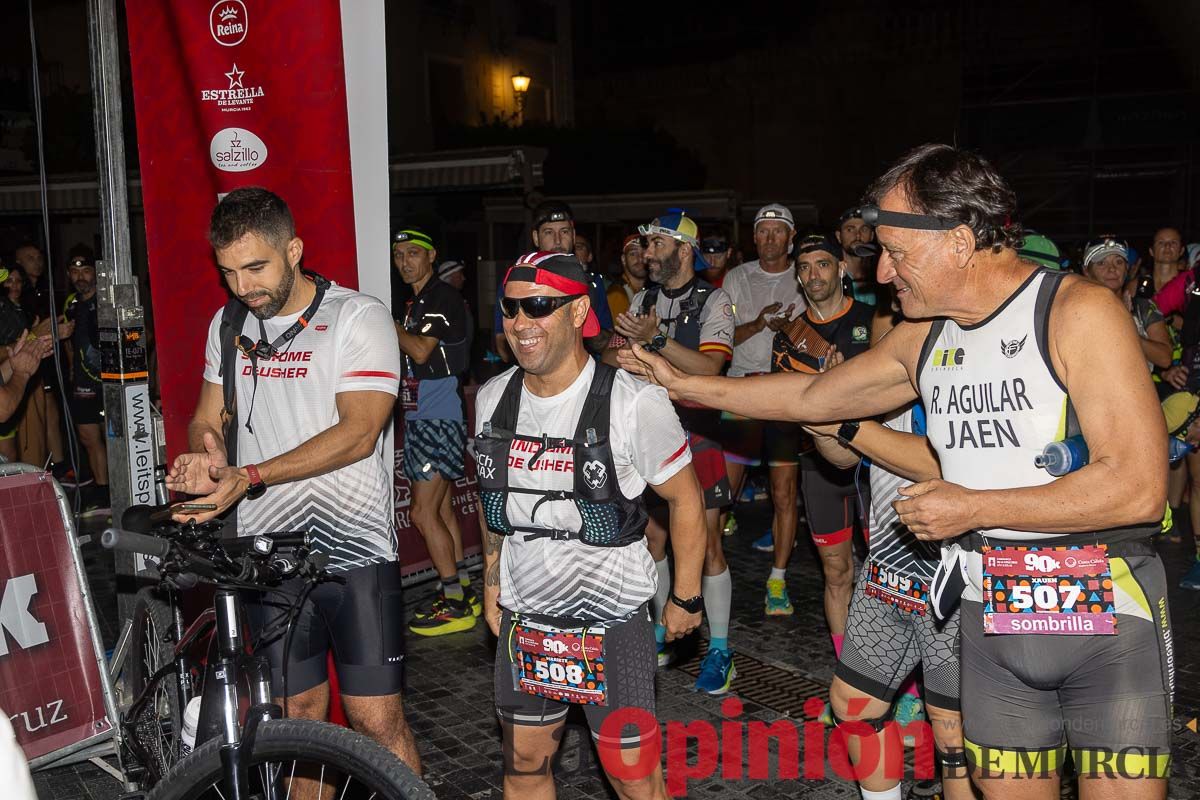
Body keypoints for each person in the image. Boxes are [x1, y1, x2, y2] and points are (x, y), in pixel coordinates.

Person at [622, 144, 1172, 798]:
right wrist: (685, 384)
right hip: (990, 616)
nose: (881, 271)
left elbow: (1138, 488)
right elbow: (811, 399)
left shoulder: (1076, 311)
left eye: (896, 252)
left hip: (1103, 620)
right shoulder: (927, 335)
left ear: (961, 242)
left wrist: (975, 508)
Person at [165, 186, 421, 773]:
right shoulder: (228, 322)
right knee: (296, 719)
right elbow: (208, 415)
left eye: (255, 267)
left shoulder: (358, 316)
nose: (242, 286)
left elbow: (359, 432)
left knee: (376, 721)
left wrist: (249, 475)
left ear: (295, 250)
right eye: (228, 272)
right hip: (267, 551)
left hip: (354, 550)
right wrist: (203, 457)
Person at [480, 250, 705, 798]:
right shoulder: (492, 398)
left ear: (580, 312)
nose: (520, 325)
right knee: (525, 768)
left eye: (538, 307)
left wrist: (686, 597)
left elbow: (687, 500)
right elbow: (497, 504)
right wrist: (492, 578)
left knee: (635, 781)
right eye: (510, 310)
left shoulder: (634, 402)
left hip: (611, 621)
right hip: (527, 619)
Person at [808, 408, 970, 800]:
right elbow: (843, 457)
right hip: (888, 564)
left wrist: (840, 419)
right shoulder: (885, 374)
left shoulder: (962, 361)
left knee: (954, 730)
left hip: (958, 571)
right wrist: (817, 408)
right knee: (854, 705)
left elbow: (947, 461)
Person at [607, 210, 736, 694]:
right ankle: (668, 627)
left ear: (685, 250)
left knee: (707, 546)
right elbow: (617, 352)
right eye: (645, 245)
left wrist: (654, 340)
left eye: (658, 244)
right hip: (649, 436)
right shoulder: (642, 297)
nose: (647, 254)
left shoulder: (714, 299)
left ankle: (720, 649)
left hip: (698, 433)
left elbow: (710, 368)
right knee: (654, 540)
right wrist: (619, 352)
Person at [771, 235, 875, 700]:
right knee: (837, 573)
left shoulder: (875, 323)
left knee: (889, 575)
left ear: (842, 269)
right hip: (819, 467)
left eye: (824, 264)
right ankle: (850, 675)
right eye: (806, 267)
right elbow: (785, 402)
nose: (815, 275)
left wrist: (842, 386)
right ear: (797, 277)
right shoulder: (789, 336)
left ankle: (904, 682)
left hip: (879, 463)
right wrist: (820, 386)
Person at [718, 202, 807, 614]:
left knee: (784, 493)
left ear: (791, 237)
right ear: (754, 237)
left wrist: (789, 330)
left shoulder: (806, 274)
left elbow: (819, 342)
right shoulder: (737, 277)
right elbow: (716, 339)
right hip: (739, 394)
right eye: (763, 231)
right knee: (721, 494)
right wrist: (759, 324)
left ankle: (778, 581)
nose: (771, 238)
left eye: (778, 231)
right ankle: (711, 573)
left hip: (784, 396)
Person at [391, 229, 476, 636]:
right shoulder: (418, 302)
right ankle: (460, 588)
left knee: (421, 513)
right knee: (441, 510)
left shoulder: (442, 296)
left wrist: (388, 326)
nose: (405, 261)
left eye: (413, 253)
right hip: (423, 414)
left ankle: (455, 603)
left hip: (438, 416)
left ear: (431, 256)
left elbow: (422, 351)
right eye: (398, 255)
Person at [492, 200, 614, 362]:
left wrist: (578, 319)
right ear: (536, 237)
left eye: (564, 231)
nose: (557, 240)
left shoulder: (592, 282)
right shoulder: (517, 282)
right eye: (548, 232)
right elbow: (503, 347)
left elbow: (608, 341)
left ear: (573, 235)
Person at [14, 243, 68, 479]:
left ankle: (59, 467)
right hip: (20, 365)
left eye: (39, 257)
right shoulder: (16, 296)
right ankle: (35, 473)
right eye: (30, 258)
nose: (36, 262)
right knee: (34, 420)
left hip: (47, 361)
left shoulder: (46, 291)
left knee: (51, 412)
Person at [62, 246, 109, 512]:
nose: (80, 277)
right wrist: (71, 367)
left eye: (86, 270)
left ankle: (119, 490)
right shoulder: (70, 303)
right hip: (82, 381)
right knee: (88, 436)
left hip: (109, 382)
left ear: (96, 273)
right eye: (75, 271)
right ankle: (102, 493)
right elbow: (69, 341)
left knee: (111, 438)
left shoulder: (107, 300)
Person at [1081, 236, 1172, 371]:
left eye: (1118, 262)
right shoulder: (1077, 310)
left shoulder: (1141, 306)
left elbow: (1165, 358)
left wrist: (1127, 326)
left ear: (1127, 269)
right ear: (1086, 271)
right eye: (1101, 263)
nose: (1112, 269)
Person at [834, 207, 878, 305]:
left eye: (864, 229)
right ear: (838, 236)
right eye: (850, 229)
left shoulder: (881, 274)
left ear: (872, 235)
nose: (858, 235)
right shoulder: (832, 276)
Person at [606, 234, 647, 319]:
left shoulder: (647, 291)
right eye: (633, 254)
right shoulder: (618, 293)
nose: (640, 258)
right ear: (624, 259)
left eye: (644, 253)